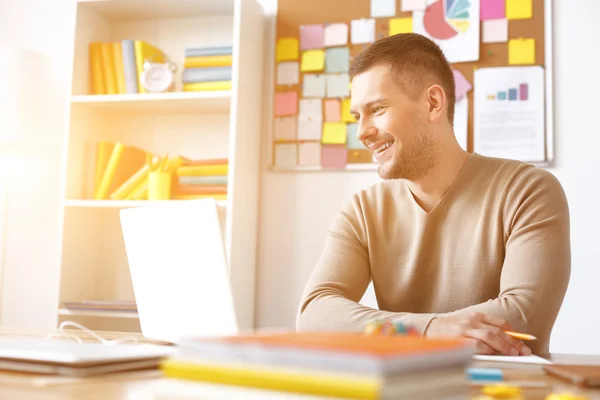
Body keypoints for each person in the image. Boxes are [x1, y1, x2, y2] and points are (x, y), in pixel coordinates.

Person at [295, 33, 570, 356]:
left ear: (433, 103)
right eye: (358, 115)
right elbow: (315, 313)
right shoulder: (362, 211)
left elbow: (523, 323)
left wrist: (392, 332)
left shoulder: (527, 191)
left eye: (377, 109)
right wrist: (428, 330)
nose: (362, 132)